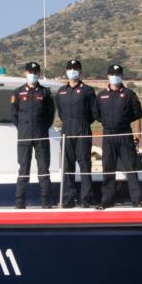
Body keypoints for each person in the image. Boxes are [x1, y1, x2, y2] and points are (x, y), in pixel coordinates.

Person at [96, 64, 142, 208]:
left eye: (117, 74)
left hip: (124, 134)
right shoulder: (101, 95)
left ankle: (136, 200)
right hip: (108, 135)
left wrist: (123, 121)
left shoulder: (129, 94)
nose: (115, 76)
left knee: (131, 167)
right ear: (108, 76)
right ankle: (107, 199)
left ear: (121, 76)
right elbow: (96, 114)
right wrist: (108, 122)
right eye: (112, 74)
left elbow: (138, 113)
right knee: (108, 167)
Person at [54, 59, 100, 208]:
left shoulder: (88, 90)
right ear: (66, 71)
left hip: (83, 129)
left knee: (85, 163)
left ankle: (86, 198)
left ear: (80, 72)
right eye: (70, 68)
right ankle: (68, 198)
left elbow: (94, 112)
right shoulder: (61, 91)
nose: (72, 71)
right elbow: (60, 112)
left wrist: (83, 123)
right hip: (66, 129)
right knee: (67, 165)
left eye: (75, 69)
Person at [11, 62, 55, 208]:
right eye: (30, 72)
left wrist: (41, 127)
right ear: (26, 73)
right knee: (24, 169)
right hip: (24, 136)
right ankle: (20, 202)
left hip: (41, 136)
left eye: (35, 72)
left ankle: (45, 201)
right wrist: (23, 128)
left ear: (38, 74)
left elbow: (50, 114)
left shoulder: (45, 92)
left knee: (43, 169)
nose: (33, 74)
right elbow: (14, 115)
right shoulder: (18, 92)